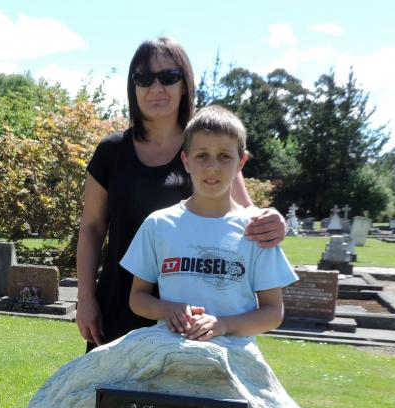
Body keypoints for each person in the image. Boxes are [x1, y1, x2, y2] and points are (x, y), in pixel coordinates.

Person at [76, 37, 287, 350]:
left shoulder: (206, 149)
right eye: (144, 78)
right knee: (115, 399)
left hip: (197, 319)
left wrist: (275, 223)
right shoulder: (111, 151)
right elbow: (92, 228)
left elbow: (249, 219)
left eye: (168, 77)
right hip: (123, 304)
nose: (156, 87)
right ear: (132, 87)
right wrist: (86, 298)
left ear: (185, 84)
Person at [120, 105, 297, 347]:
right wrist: (167, 309)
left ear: (240, 163)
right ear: (186, 160)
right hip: (169, 354)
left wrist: (223, 325)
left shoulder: (257, 231)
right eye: (202, 155)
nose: (212, 166)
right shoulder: (158, 224)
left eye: (224, 156)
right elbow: (138, 299)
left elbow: (273, 312)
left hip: (233, 358)